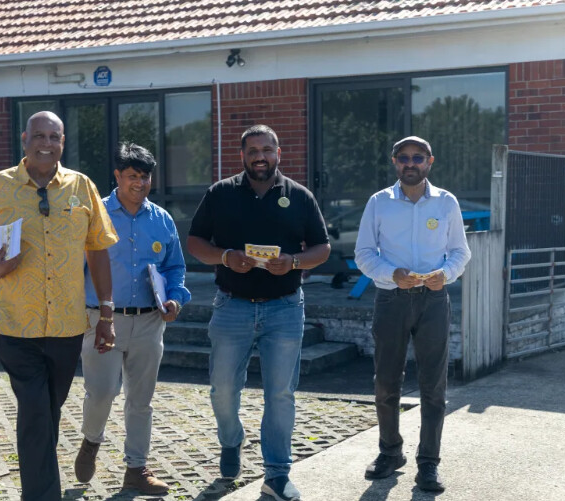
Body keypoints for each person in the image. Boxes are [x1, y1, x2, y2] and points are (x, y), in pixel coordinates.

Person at [0, 111, 119, 501]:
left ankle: (39, 484)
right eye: (38, 135)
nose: (45, 143)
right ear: (24, 138)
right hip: (15, 325)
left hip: (67, 326)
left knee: (48, 412)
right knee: (34, 411)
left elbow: (98, 249)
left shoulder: (81, 187)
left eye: (54, 136)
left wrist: (106, 312)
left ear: (62, 142)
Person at [187, 125, 330, 501]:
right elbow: (195, 241)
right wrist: (225, 257)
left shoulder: (299, 196)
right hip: (231, 305)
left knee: (280, 393)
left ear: (278, 153)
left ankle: (277, 474)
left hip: (284, 308)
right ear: (242, 156)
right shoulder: (220, 193)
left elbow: (323, 247)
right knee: (222, 389)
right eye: (253, 150)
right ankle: (232, 440)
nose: (260, 156)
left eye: (267, 149)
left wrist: (295, 261)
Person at [354, 136, 471, 493]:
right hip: (392, 300)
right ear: (394, 162)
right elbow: (363, 253)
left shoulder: (446, 202)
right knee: (386, 382)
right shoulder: (379, 203)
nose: (410, 163)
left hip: (434, 301)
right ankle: (390, 453)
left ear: (429, 161)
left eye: (417, 157)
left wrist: (445, 275)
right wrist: (393, 274)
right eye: (403, 158)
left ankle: (429, 463)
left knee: (433, 386)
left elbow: (460, 253)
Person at [75, 142, 191, 494]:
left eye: (144, 177)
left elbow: (175, 268)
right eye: (131, 176)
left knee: (141, 399)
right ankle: (91, 441)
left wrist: (174, 299)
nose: (139, 183)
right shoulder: (95, 214)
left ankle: (136, 469)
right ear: (117, 176)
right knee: (102, 392)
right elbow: (75, 269)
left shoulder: (162, 219)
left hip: (148, 321)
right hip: (101, 320)